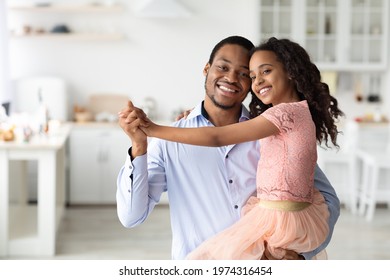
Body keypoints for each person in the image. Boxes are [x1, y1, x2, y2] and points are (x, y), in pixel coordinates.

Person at [117, 36, 341, 260]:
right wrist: (139, 145)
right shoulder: (170, 141)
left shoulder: (271, 133)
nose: (232, 78)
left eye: (244, 73)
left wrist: (301, 254)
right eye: (223, 67)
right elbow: (131, 217)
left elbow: (326, 199)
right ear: (207, 69)